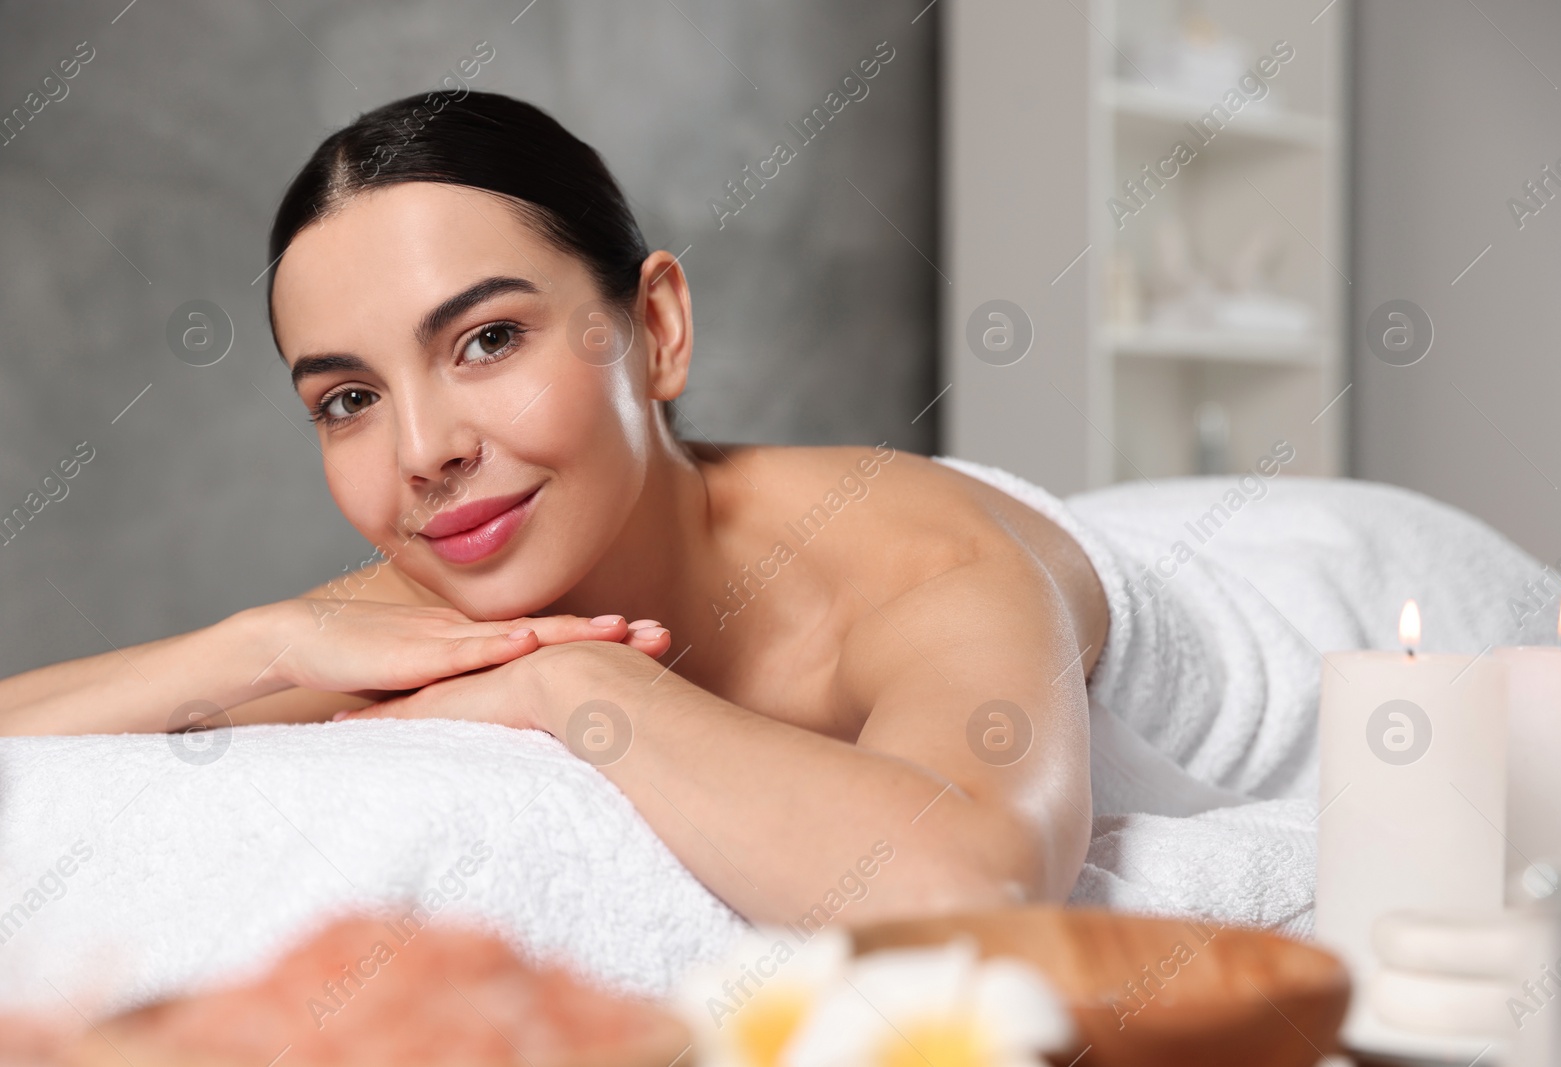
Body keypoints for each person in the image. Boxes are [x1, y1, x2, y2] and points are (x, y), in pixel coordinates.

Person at [0, 90, 1114, 927]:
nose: (427, 451)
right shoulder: (422, 609)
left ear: (659, 328)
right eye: (349, 399)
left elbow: (974, 885)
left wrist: (573, 681)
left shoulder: (917, 561)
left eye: (487, 339)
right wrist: (266, 639)